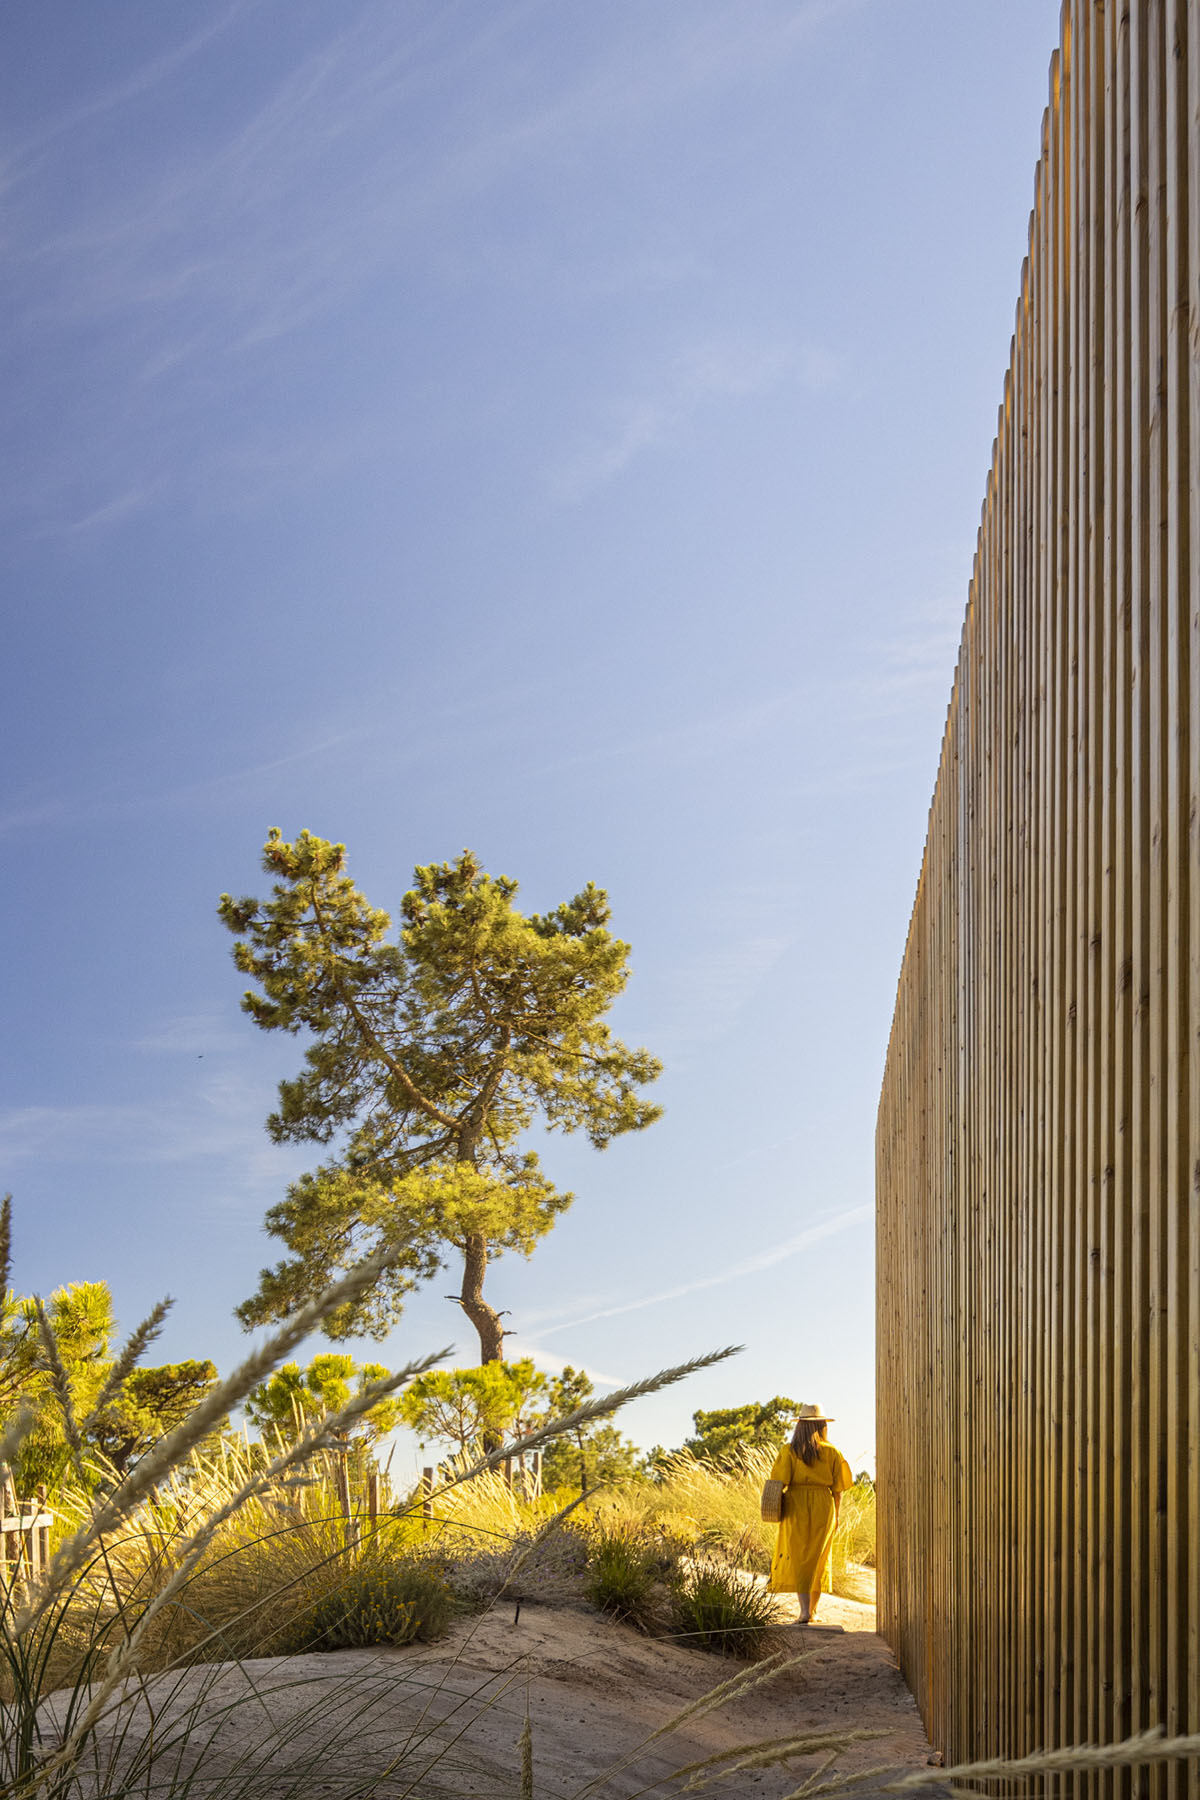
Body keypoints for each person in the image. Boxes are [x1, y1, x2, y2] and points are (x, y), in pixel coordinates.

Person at [766, 1403, 853, 1623]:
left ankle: (805, 1611)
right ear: (822, 1425)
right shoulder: (833, 1452)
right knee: (818, 1558)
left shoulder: (789, 1450)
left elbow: (778, 1482)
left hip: (795, 1504)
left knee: (800, 1557)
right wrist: (837, 1516)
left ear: (799, 1427)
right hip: (824, 1505)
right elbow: (838, 1489)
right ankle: (812, 1612)